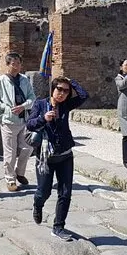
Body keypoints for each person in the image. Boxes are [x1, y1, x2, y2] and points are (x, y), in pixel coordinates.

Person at [27, 76, 88, 241]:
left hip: (65, 155)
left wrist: (72, 82)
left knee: (65, 193)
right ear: (52, 89)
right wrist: (43, 118)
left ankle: (58, 227)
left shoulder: (66, 105)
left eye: (66, 91)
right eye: (59, 89)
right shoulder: (40, 104)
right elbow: (29, 124)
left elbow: (84, 95)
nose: (62, 93)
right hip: (45, 157)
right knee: (43, 192)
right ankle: (37, 204)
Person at [0, 52, 36, 191]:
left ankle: (20, 172)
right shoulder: (0, 81)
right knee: (10, 153)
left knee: (28, 147)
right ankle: (10, 179)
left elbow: (32, 97)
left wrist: (24, 106)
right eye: (14, 64)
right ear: (7, 65)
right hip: (8, 120)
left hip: (24, 119)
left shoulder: (24, 80)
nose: (17, 67)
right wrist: (5, 108)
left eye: (19, 63)